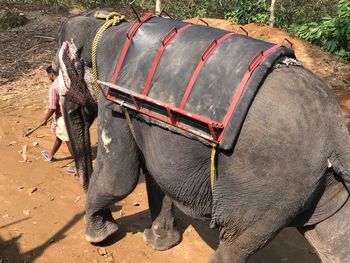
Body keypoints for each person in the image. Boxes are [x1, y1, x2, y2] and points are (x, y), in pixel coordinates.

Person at [41, 66, 76, 173]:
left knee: (67, 140)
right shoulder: (68, 80)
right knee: (59, 136)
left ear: (52, 74)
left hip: (63, 118)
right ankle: (51, 156)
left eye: (48, 76)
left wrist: (45, 119)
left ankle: (79, 166)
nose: (48, 78)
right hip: (72, 113)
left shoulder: (54, 87)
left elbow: (52, 107)